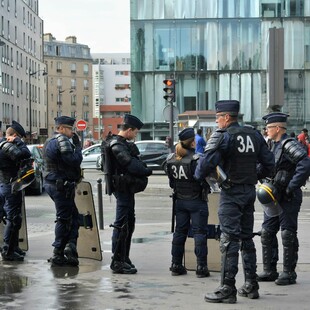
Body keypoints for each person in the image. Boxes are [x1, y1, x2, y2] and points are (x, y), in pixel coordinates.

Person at [194, 100, 275, 304]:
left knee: (229, 240)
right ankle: (251, 285)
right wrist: (253, 176)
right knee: (247, 238)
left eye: (218, 117)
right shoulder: (255, 134)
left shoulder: (223, 136)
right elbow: (269, 164)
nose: (217, 121)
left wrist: (200, 176)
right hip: (249, 192)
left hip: (231, 194)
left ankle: (227, 288)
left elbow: (205, 164)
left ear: (227, 117)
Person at [256, 113, 310, 285]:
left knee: (287, 234)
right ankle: (269, 270)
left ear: (277, 128)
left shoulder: (289, 144)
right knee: (267, 232)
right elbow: (264, 167)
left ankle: (289, 273)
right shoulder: (270, 144)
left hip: (288, 196)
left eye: (269, 127)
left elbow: (305, 164)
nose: (266, 130)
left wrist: (291, 186)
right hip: (272, 195)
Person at [106, 114, 152, 274]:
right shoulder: (116, 145)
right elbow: (130, 164)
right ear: (129, 130)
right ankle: (117, 260)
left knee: (128, 222)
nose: (136, 135)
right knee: (122, 224)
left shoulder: (121, 143)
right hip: (122, 188)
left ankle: (123, 256)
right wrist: (146, 170)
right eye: (136, 132)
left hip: (126, 188)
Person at [166, 127, 210, 278]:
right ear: (192, 144)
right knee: (199, 233)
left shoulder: (171, 159)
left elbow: (171, 183)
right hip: (197, 200)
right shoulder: (197, 159)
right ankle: (201, 267)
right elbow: (204, 178)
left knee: (179, 232)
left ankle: (176, 264)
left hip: (180, 201)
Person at [43, 116, 83, 267]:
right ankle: (59, 252)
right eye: (70, 129)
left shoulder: (49, 141)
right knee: (64, 218)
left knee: (72, 217)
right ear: (60, 128)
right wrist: (78, 148)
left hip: (53, 184)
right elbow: (73, 160)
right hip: (61, 185)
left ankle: (69, 248)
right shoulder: (62, 140)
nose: (72, 132)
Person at [0, 121, 32, 261]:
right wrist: (18, 142)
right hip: (9, 185)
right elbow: (24, 154)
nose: (21, 140)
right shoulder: (7, 145)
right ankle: (8, 250)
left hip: (11, 184)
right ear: (13, 135)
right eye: (19, 137)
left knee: (16, 218)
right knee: (13, 218)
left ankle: (13, 247)